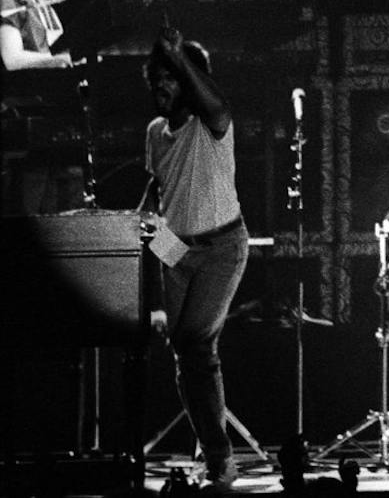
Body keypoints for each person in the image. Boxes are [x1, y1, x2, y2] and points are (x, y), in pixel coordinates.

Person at [143, 26, 247, 492]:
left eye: (170, 77)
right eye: (155, 77)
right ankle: (213, 450)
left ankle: (221, 460)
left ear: (190, 80)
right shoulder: (154, 133)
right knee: (183, 351)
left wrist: (178, 56)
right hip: (175, 247)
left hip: (222, 246)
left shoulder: (212, 124)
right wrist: (144, 221)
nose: (159, 86)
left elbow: (219, 104)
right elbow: (161, 186)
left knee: (197, 344)